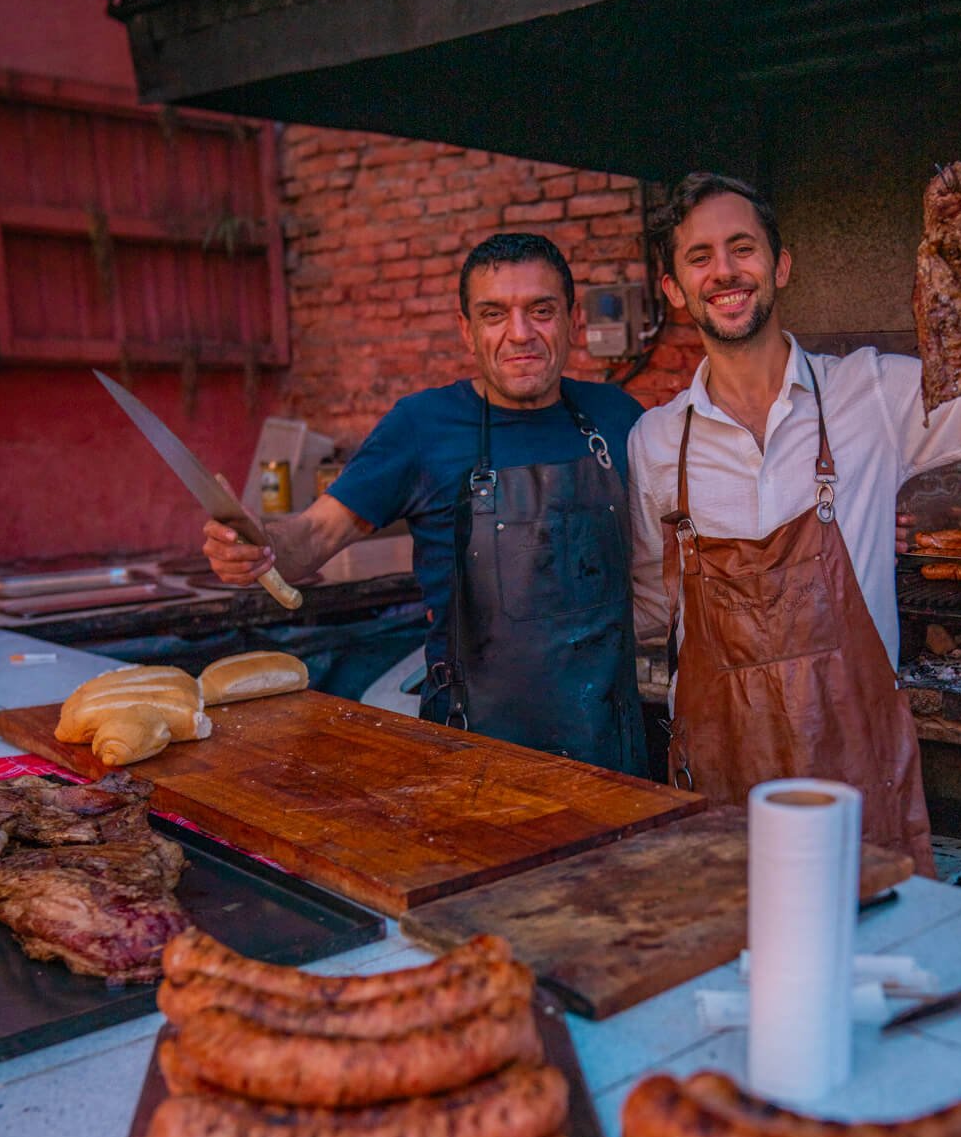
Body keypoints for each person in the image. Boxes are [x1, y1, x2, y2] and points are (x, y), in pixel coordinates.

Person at [628, 172, 961, 873]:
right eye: (699, 257)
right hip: (719, 783)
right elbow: (651, 608)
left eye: (742, 248)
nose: (724, 271)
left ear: (780, 266)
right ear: (672, 287)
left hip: (857, 769)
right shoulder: (657, 442)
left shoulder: (870, 392)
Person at [203, 232, 647, 773]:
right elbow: (316, 537)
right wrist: (260, 546)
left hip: (614, 753)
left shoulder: (618, 417)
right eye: (493, 314)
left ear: (574, 320)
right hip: (475, 759)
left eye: (541, 310)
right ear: (466, 330)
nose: (520, 333)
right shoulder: (422, 427)